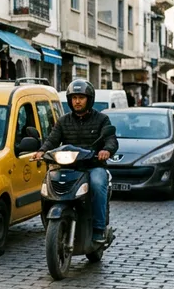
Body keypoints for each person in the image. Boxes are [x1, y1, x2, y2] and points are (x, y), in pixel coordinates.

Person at [33, 79, 118, 244]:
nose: (77, 101)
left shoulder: (102, 119)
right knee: (49, 183)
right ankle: (49, 222)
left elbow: (111, 140)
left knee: (97, 184)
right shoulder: (63, 121)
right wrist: (42, 151)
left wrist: (106, 150)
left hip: (93, 166)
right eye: (74, 98)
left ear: (89, 99)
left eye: (81, 97)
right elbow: (52, 139)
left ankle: (99, 229)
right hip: (69, 167)